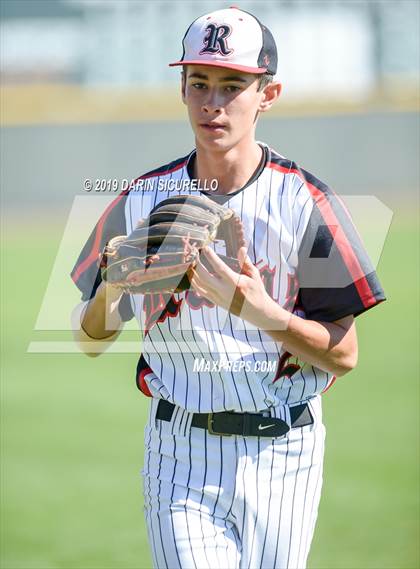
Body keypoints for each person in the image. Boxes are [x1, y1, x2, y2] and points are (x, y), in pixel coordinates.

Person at [71, 7, 385, 569]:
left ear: (268, 93)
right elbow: (91, 339)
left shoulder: (305, 202)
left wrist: (257, 309)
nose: (213, 103)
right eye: (199, 84)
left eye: (233, 85)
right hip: (179, 451)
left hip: (285, 451)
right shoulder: (143, 200)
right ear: (182, 88)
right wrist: (108, 292)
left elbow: (345, 354)